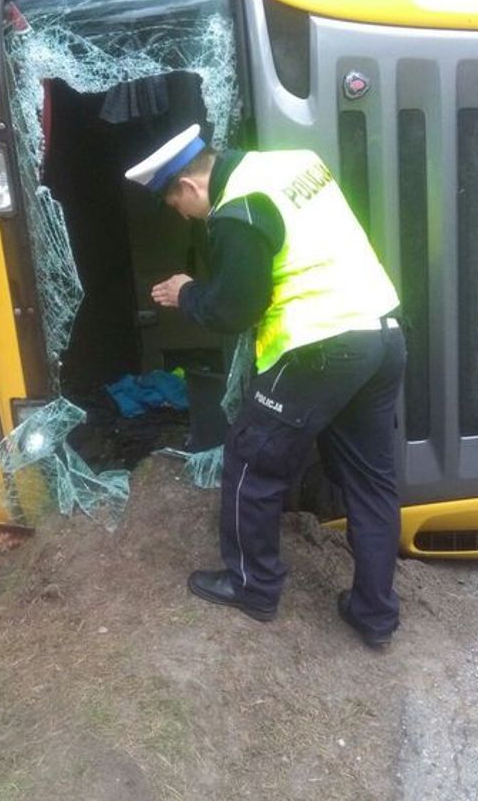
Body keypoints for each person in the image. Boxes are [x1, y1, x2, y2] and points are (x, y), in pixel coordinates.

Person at [125, 124, 406, 648]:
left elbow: (236, 308)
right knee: (372, 482)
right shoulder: (292, 163)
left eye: (177, 206)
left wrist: (187, 293)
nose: (186, 218)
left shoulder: (238, 211)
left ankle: (251, 585)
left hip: (318, 346)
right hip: (381, 335)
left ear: (188, 187)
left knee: (251, 459)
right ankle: (375, 614)